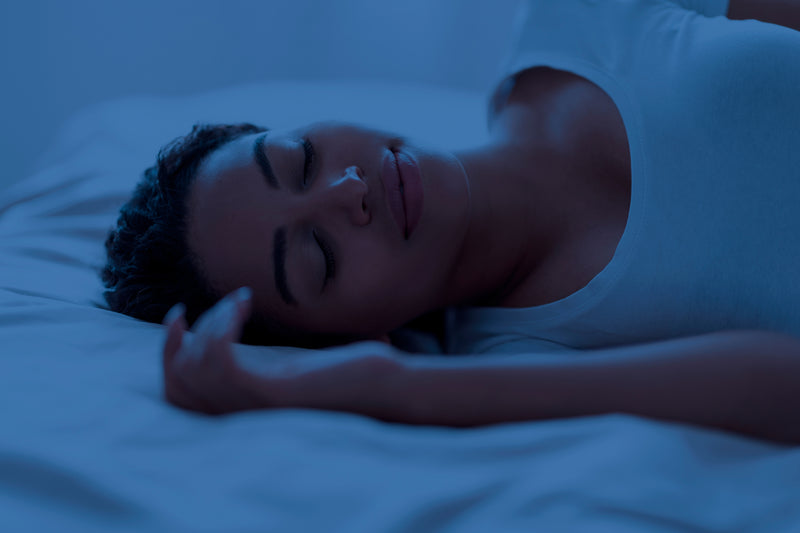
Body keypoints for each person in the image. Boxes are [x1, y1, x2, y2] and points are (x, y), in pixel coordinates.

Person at [102, 0, 800, 445]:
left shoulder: (574, 20)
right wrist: (388, 388)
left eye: (301, 157)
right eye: (318, 257)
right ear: (354, 335)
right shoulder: (525, 360)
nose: (349, 191)